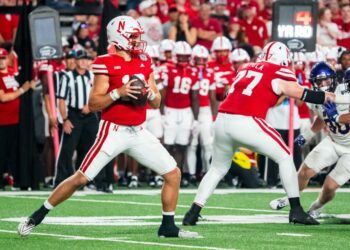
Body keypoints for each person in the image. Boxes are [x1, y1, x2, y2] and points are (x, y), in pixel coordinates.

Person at [17, 15, 197, 239]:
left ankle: (167, 227)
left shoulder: (144, 59)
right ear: (119, 37)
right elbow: (93, 104)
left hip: (138, 130)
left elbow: (157, 102)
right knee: (81, 178)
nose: (137, 40)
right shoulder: (105, 61)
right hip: (113, 130)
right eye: (132, 36)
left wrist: (150, 93)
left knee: (173, 173)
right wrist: (118, 92)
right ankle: (37, 215)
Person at [182, 41, 343, 227]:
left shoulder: (245, 68)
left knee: (217, 168)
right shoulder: (278, 71)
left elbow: (236, 95)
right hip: (246, 121)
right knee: (285, 156)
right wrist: (333, 97)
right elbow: (301, 93)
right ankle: (296, 210)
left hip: (222, 120)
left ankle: (192, 213)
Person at [269, 62, 350, 218]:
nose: (323, 84)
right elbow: (322, 119)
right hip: (333, 141)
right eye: (319, 82)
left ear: (333, 79)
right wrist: (305, 136)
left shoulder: (344, 92)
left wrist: (336, 116)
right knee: (304, 172)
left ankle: (315, 207)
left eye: (326, 80)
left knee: (329, 186)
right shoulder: (315, 98)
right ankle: (290, 199)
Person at [0, 48, 35, 189]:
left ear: (7, 59)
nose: (1, 61)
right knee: (2, 152)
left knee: (11, 152)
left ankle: (9, 177)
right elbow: (2, 97)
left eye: (3, 58)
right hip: (2, 121)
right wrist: (22, 90)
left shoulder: (11, 74)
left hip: (15, 121)